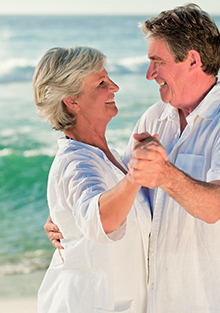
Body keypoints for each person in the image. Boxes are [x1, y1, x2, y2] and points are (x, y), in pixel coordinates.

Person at [46, 4, 220, 312]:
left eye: (157, 62)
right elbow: (122, 192)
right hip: (160, 302)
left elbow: (215, 206)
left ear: (192, 59)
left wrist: (164, 174)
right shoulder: (152, 120)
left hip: (218, 301)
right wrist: (67, 214)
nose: (150, 74)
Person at [33, 45, 151, 313]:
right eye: (101, 83)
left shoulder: (109, 158)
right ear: (72, 101)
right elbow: (102, 220)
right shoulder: (76, 163)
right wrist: (138, 173)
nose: (115, 87)